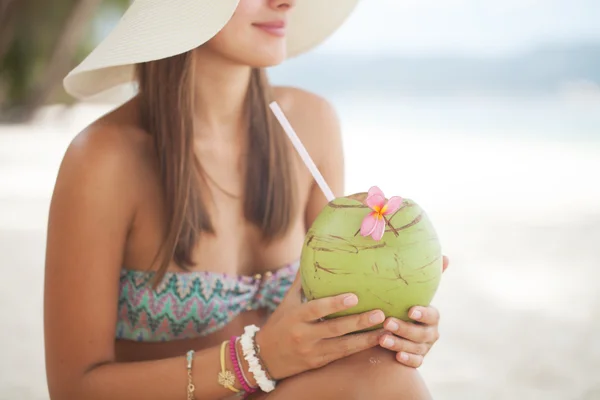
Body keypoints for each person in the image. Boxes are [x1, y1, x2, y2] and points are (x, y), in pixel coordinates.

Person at [44, 0, 449, 399]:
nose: (285, 2)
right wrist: (255, 359)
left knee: (387, 376)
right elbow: (73, 388)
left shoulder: (311, 124)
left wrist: (391, 329)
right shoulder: (105, 159)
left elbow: (329, 317)